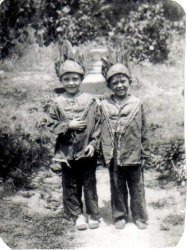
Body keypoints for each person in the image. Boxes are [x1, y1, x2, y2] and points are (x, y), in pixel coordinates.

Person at [46, 43, 100, 230]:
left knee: (89, 182)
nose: (71, 82)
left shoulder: (91, 101)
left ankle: (93, 214)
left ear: (81, 79)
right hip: (66, 151)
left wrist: (94, 143)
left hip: (87, 150)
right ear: (61, 81)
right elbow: (50, 124)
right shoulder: (56, 103)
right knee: (70, 184)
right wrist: (68, 125)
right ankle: (76, 215)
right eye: (66, 79)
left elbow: (98, 124)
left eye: (75, 78)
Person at [100, 59, 149, 230]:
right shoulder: (104, 105)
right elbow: (101, 130)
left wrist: (146, 152)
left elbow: (144, 130)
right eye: (115, 83)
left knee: (137, 187)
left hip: (134, 152)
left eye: (123, 81)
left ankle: (140, 216)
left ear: (130, 82)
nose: (119, 85)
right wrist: (103, 152)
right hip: (114, 155)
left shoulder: (137, 103)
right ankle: (120, 215)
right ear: (109, 86)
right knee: (117, 186)